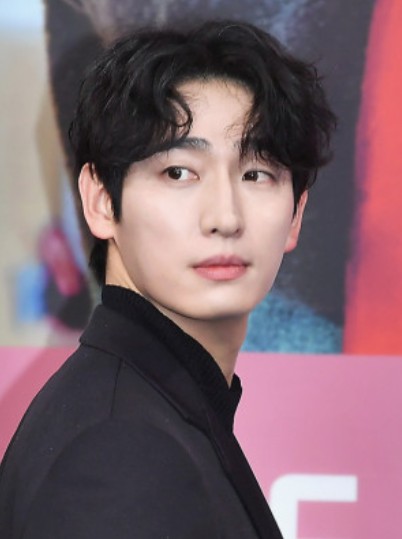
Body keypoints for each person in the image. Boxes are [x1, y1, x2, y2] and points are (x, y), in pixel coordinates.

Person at [0, 20, 336, 538]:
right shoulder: (119, 449)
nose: (225, 217)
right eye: (179, 172)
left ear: (296, 215)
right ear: (101, 200)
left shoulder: (160, 410)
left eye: (256, 174)